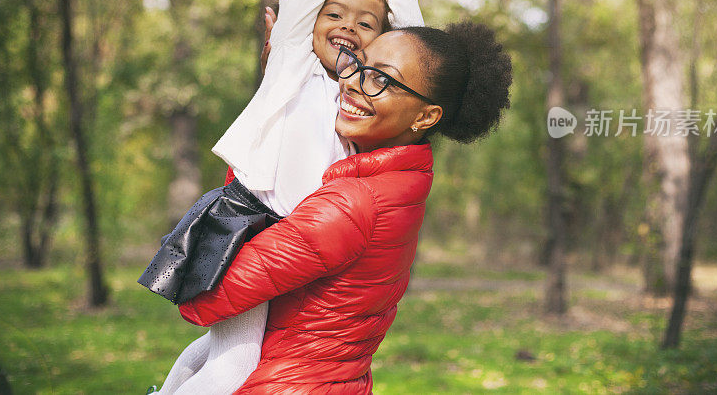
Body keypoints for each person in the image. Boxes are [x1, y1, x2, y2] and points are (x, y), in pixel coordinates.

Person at [151, 0, 424, 394]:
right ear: (309, 23)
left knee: (226, 351)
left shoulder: (356, 95)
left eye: (366, 24)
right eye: (334, 14)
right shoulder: (292, 62)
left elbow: (415, 51)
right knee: (234, 363)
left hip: (296, 235)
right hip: (249, 221)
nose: (347, 27)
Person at [178, 22, 513, 392]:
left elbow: (203, 299)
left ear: (425, 117)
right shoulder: (403, 184)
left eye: (381, 79)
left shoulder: (353, 203)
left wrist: (263, 153)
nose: (352, 81)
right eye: (358, 63)